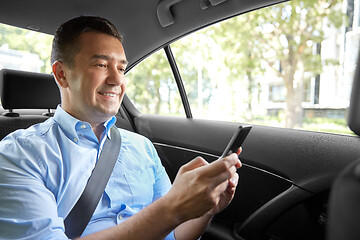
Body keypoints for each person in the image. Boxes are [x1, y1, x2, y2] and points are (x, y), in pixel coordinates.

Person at [0, 16, 241, 240]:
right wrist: (172, 208)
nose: (117, 80)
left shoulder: (142, 147)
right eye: (102, 65)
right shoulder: (19, 155)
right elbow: (168, 214)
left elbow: (172, 233)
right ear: (62, 74)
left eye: (121, 68)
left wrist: (203, 209)